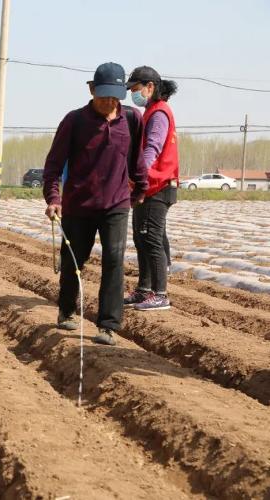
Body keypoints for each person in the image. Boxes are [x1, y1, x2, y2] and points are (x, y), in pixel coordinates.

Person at [42, 62, 149, 346]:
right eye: (104, 97)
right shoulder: (74, 121)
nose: (109, 103)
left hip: (116, 203)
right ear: (91, 90)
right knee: (74, 261)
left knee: (114, 259)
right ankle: (66, 310)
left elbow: (136, 159)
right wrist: (53, 198)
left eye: (115, 97)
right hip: (79, 204)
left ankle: (108, 325)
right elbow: (53, 165)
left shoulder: (132, 119)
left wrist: (141, 186)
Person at [124, 66, 179, 311]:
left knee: (152, 239)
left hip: (157, 186)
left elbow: (152, 149)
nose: (134, 94)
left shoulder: (159, 114)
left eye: (136, 89)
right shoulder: (149, 112)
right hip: (148, 186)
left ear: (150, 87)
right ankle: (143, 290)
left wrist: (139, 174)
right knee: (141, 238)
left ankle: (160, 294)